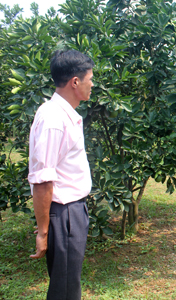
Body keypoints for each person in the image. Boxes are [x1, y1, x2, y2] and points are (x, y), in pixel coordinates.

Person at [28, 49, 94, 300]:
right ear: (75, 82)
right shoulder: (54, 119)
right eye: (90, 78)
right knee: (64, 289)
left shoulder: (64, 115)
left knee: (68, 283)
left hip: (72, 212)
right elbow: (43, 180)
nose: (92, 84)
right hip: (65, 213)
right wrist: (44, 232)